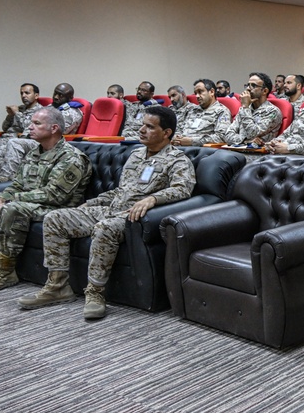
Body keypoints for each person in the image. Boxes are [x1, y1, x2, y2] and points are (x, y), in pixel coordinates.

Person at [24, 106, 196, 319]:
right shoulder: (135, 155)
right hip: (110, 208)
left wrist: (152, 199)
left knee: (104, 228)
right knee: (55, 218)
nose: (141, 130)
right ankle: (57, 285)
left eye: (149, 127)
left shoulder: (177, 160)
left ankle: (95, 292)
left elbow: (182, 188)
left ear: (166, 133)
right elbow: (121, 190)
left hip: (132, 217)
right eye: (142, 124)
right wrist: (91, 203)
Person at [0, 107, 92, 294]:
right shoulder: (33, 153)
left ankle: (6, 271)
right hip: (29, 204)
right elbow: (17, 184)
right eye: (31, 123)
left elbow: (55, 195)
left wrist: (10, 201)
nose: (30, 127)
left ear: (54, 128)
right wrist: (1, 198)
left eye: (37, 124)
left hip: (59, 209)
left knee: (13, 209)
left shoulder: (72, 158)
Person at [0, 83, 83, 183]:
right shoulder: (50, 107)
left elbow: (60, 130)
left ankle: (7, 183)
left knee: (14, 143)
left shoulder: (72, 112)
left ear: (70, 98)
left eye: (60, 95)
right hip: (31, 140)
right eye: (55, 93)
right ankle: (17, 180)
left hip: (48, 143)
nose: (56, 97)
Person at [224, 72, 283, 146]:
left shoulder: (273, 112)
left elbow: (253, 133)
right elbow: (227, 136)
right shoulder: (245, 109)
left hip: (257, 154)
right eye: (247, 85)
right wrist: (245, 140)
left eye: (253, 86)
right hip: (237, 149)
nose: (248, 88)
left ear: (264, 91)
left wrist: (245, 107)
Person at [172, 79, 231, 146]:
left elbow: (221, 137)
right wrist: (176, 137)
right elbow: (181, 129)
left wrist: (192, 141)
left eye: (200, 92)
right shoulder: (192, 110)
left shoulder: (222, 111)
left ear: (211, 92)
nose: (197, 96)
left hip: (201, 151)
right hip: (180, 148)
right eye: (195, 93)